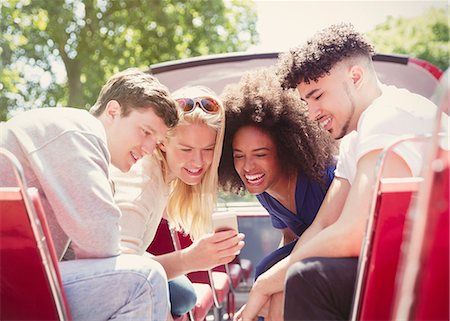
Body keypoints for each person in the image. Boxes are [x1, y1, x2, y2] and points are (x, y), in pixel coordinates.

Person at [233, 23, 448, 321]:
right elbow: (322, 226)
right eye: (305, 101)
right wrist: (270, 281)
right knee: (288, 274)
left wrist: (268, 281)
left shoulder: (388, 114)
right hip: (407, 263)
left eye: (318, 96)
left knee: (306, 279)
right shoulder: (356, 140)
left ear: (355, 77)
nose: (311, 112)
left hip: (433, 271)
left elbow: (353, 233)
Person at [0, 68, 179, 320]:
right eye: (146, 132)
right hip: (13, 284)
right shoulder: (79, 132)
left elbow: (84, 250)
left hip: (16, 278)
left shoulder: (66, 132)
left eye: (157, 141)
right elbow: (101, 243)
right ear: (113, 112)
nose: (149, 148)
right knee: (144, 280)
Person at [111, 86, 245, 317]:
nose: (198, 161)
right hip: (103, 277)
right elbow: (124, 276)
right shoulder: (142, 181)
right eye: (186, 149)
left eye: (208, 149)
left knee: (184, 294)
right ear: (162, 142)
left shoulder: (166, 179)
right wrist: (190, 259)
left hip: (131, 265)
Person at [217, 67, 336, 320]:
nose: (248, 167)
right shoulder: (264, 190)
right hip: (308, 257)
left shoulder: (322, 178)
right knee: (266, 268)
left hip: (338, 255)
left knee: (279, 283)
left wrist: (270, 283)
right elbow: (289, 236)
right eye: (239, 156)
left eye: (260, 154)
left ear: (286, 150)